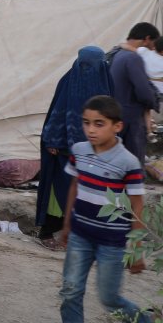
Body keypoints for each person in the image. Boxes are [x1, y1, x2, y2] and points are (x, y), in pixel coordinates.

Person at [56, 95, 149, 323]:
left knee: (109, 298)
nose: (91, 130)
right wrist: (67, 223)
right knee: (70, 290)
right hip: (80, 235)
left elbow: (137, 205)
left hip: (112, 242)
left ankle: (145, 320)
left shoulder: (128, 162)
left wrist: (136, 249)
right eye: (86, 123)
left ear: (117, 126)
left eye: (99, 124)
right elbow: (75, 185)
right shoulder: (79, 150)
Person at [37, 47, 111, 247]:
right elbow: (57, 111)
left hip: (96, 150)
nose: (87, 69)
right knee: (61, 190)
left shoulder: (106, 81)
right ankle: (47, 232)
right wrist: (53, 141)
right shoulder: (68, 81)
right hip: (64, 149)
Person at [106, 22, 160, 168]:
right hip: (132, 119)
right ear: (147, 39)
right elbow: (143, 92)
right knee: (133, 164)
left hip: (116, 115)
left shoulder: (117, 53)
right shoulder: (132, 58)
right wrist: (154, 102)